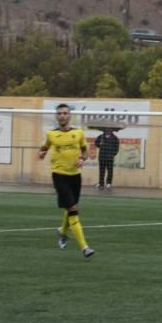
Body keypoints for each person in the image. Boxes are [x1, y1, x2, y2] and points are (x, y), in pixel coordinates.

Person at [38, 103, 94, 259]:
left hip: (75, 176)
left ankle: (63, 232)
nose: (62, 115)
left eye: (65, 113)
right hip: (59, 176)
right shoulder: (51, 134)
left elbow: (84, 150)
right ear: (57, 116)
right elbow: (44, 147)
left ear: (69, 116)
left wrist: (82, 159)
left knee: (71, 207)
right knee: (73, 210)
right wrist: (41, 153)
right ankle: (85, 247)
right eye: (60, 113)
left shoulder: (78, 133)